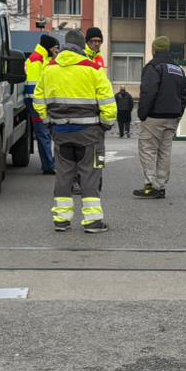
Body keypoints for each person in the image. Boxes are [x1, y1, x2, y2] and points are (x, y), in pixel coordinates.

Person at [34, 30, 117, 233]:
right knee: (90, 175)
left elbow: (38, 101)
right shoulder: (93, 70)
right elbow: (108, 104)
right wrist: (105, 125)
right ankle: (92, 221)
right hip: (90, 134)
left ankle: (61, 220)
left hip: (61, 133)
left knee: (64, 175)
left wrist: (49, 122)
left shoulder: (49, 69)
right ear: (82, 47)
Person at [133, 37, 186, 199]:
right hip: (172, 117)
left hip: (154, 116)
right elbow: (184, 96)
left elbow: (148, 92)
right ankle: (161, 184)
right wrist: (178, 113)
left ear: (154, 49)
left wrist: (142, 113)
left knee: (148, 149)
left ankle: (152, 185)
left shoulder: (153, 67)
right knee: (164, 151)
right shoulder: (178, 69)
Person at [26, 33, 58, 174]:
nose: (57, 51)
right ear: (49, 48)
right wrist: (41, 107)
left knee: (46, 135)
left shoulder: (43, 59)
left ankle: (50, 165)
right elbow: (33, 88)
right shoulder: (36, 60)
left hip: (43, 104)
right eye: (56, 48)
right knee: (44, 135)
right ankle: (49, 167)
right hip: (38, 105)